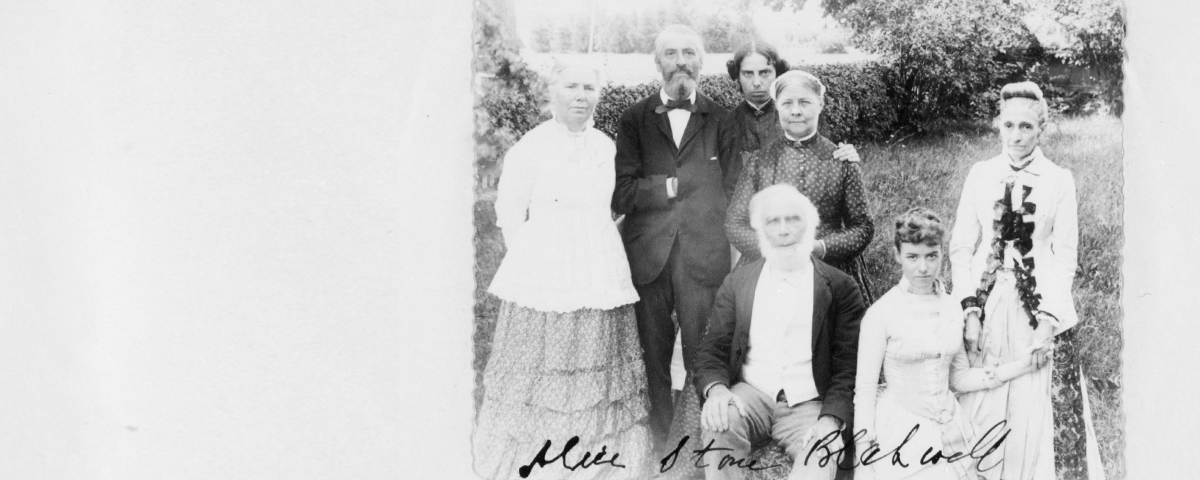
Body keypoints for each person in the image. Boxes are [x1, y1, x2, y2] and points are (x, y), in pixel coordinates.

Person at [474, 62, 652, 480]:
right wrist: (535, 262)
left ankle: (595, 457)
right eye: (571, 85)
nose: (580, 95)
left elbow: (614, 203)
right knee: (543, 366)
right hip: (545, 274)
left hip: (598, 268)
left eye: (589, 87)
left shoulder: (607, 146)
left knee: (595, 358)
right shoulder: (530, 146)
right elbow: (509, 213)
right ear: (552, 92)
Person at [949, 81, 1086, 480]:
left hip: (1039, 308)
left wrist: (1048, 320)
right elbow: (961, 246)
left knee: (1034, 403)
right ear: (998, 126)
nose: (1016, 136)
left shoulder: (1059, 180)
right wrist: (969, 307)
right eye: (1008, 126)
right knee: (980, 395)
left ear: (1042, 128)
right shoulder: (981, 173)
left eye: (1026, 126)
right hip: (985, 303)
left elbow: (1065, 257)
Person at [611, 24, 738, 453]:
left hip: (704, 255)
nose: (680, 60)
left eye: (688, 53)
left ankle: (705, 441)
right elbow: (623, 192)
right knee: (654, 355)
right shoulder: (634, 119)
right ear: (657, 62)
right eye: (671, 53)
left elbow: (735, 188)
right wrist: (668, 187)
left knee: (704, 353)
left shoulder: (722, 119)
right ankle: (663, 443)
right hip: (649, 256)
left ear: (702, 63)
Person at [853, 208, 1041, 480]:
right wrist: (863, 456)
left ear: (943, 253)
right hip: (901, 427)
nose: (923, 267)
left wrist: (1023, 365)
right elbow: (866, 390)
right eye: (912, 257)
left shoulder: (953, 307)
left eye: (932, 256)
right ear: (897, 255)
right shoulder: (881, 314)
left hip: (951, 425)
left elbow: (960, 378)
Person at [694, 184, 865, 480]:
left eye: (793, 219)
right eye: (773, 221)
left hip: (809, 402)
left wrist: (830, 420)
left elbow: (848, 369)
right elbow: (712, 350)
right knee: (719, 422)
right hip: (751, 393)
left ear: (812, 225)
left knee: (820, 452)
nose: (784, 231)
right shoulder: (738, 282)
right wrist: (718, 390)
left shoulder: (840, 288)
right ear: (760, 231)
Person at [726, 70, 875, 304]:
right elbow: (734, 224)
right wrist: (773, 248)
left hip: (829, 269)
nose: (796, 111)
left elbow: (863, 227)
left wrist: (821, 247)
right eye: (787, 103)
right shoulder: (759, 162)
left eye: (805, 102)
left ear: (820, 104)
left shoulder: (841, 160)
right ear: (777, 107)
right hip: (769, 269)